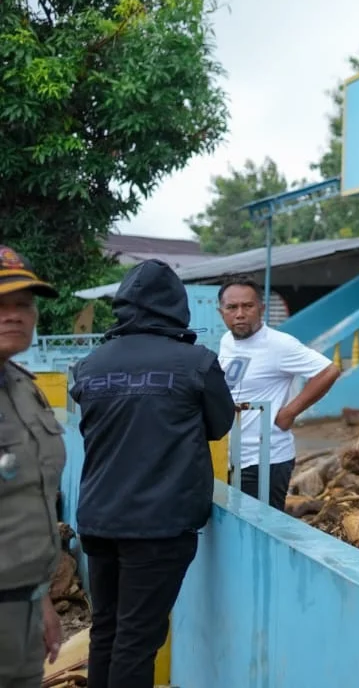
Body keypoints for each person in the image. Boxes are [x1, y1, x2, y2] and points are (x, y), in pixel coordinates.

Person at [69, 260, 235, 688]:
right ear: (177, 306)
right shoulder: (196, 363)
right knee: (137, 640)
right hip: (159, 526)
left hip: (98, 520)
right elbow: (219, 425)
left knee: (106, 630)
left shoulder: (90, 365)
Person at [216, 277, 340, 510]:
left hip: (266, 460)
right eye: (232, 307)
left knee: (259, 526)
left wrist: (290, 412)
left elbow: (328, 371)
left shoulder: (280, 344)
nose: (240, 314)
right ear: (221, 312)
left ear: (261, 309)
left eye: (248, 306)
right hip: (232, 457)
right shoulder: (227, 341)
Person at [0, 247, 65, 688]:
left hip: (22, 608)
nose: (13, 315)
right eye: (0, 305)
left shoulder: (23, 388)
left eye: (23, 304)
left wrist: (41, 601)